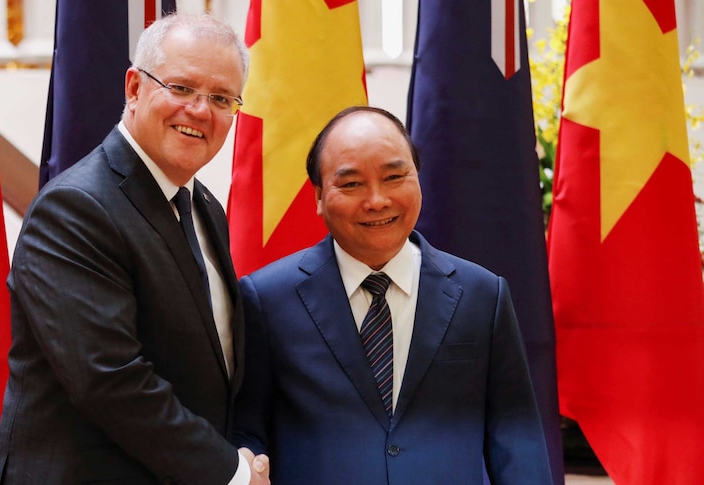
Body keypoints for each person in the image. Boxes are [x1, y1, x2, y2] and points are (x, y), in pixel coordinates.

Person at [0, 13, 269, 485]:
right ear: (135, 88)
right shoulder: (76, 209)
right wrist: (231, 473)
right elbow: (110, 380)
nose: (201, 111)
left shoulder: (204, 206)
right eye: (181, 88)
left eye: (222, 98)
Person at [232, 106, 552, 484]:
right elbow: (245, 429)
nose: (377, 200)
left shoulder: (483, 295)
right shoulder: (266, 298)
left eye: (394, 177)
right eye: (351, 184)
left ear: (418, 178)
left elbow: (516, 434)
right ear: (319, 196)